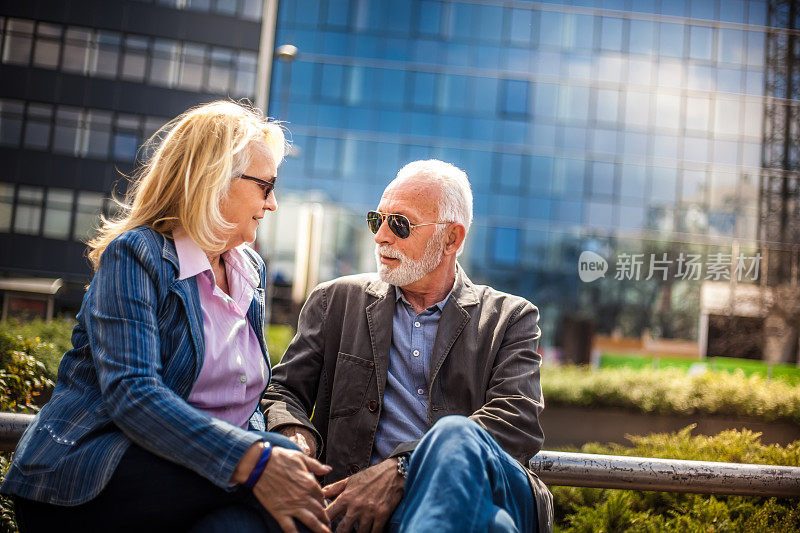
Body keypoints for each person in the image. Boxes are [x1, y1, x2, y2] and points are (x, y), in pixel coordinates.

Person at [1, 101, 331, 533]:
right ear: (215, 180)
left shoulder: (251, 271)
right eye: (266, 187)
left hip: (205, 475)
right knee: (283, 480)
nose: (273, 204)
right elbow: (133, 394)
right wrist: (254, 456)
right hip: (94, 472)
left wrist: (272, 445)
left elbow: (243, 398)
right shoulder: (137, 255)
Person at [263, 160, 553, 533]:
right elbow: (282, 390)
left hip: (475, 488)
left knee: (456, 434)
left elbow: (517, 423)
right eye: (376, 220)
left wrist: (403, 468)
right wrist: (294, 434)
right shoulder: (334, 301)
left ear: (452, 239)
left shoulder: (510, 318)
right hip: (361, 506)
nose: (381, 236)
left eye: (400, 224)